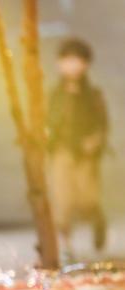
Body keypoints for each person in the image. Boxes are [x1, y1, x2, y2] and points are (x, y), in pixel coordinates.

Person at [46, 37, 109, 260]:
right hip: (61, 152)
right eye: (67, 60)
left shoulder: (93, 95)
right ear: (60, 63)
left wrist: (94, 141)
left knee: (87, 200)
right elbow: (45, 121)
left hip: (86, 155)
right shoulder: (54, 95)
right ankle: (65, 246)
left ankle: (98, 220)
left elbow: (102, 125)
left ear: (85, 64)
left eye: (77, 60)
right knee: (62, 201)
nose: (72, 65)